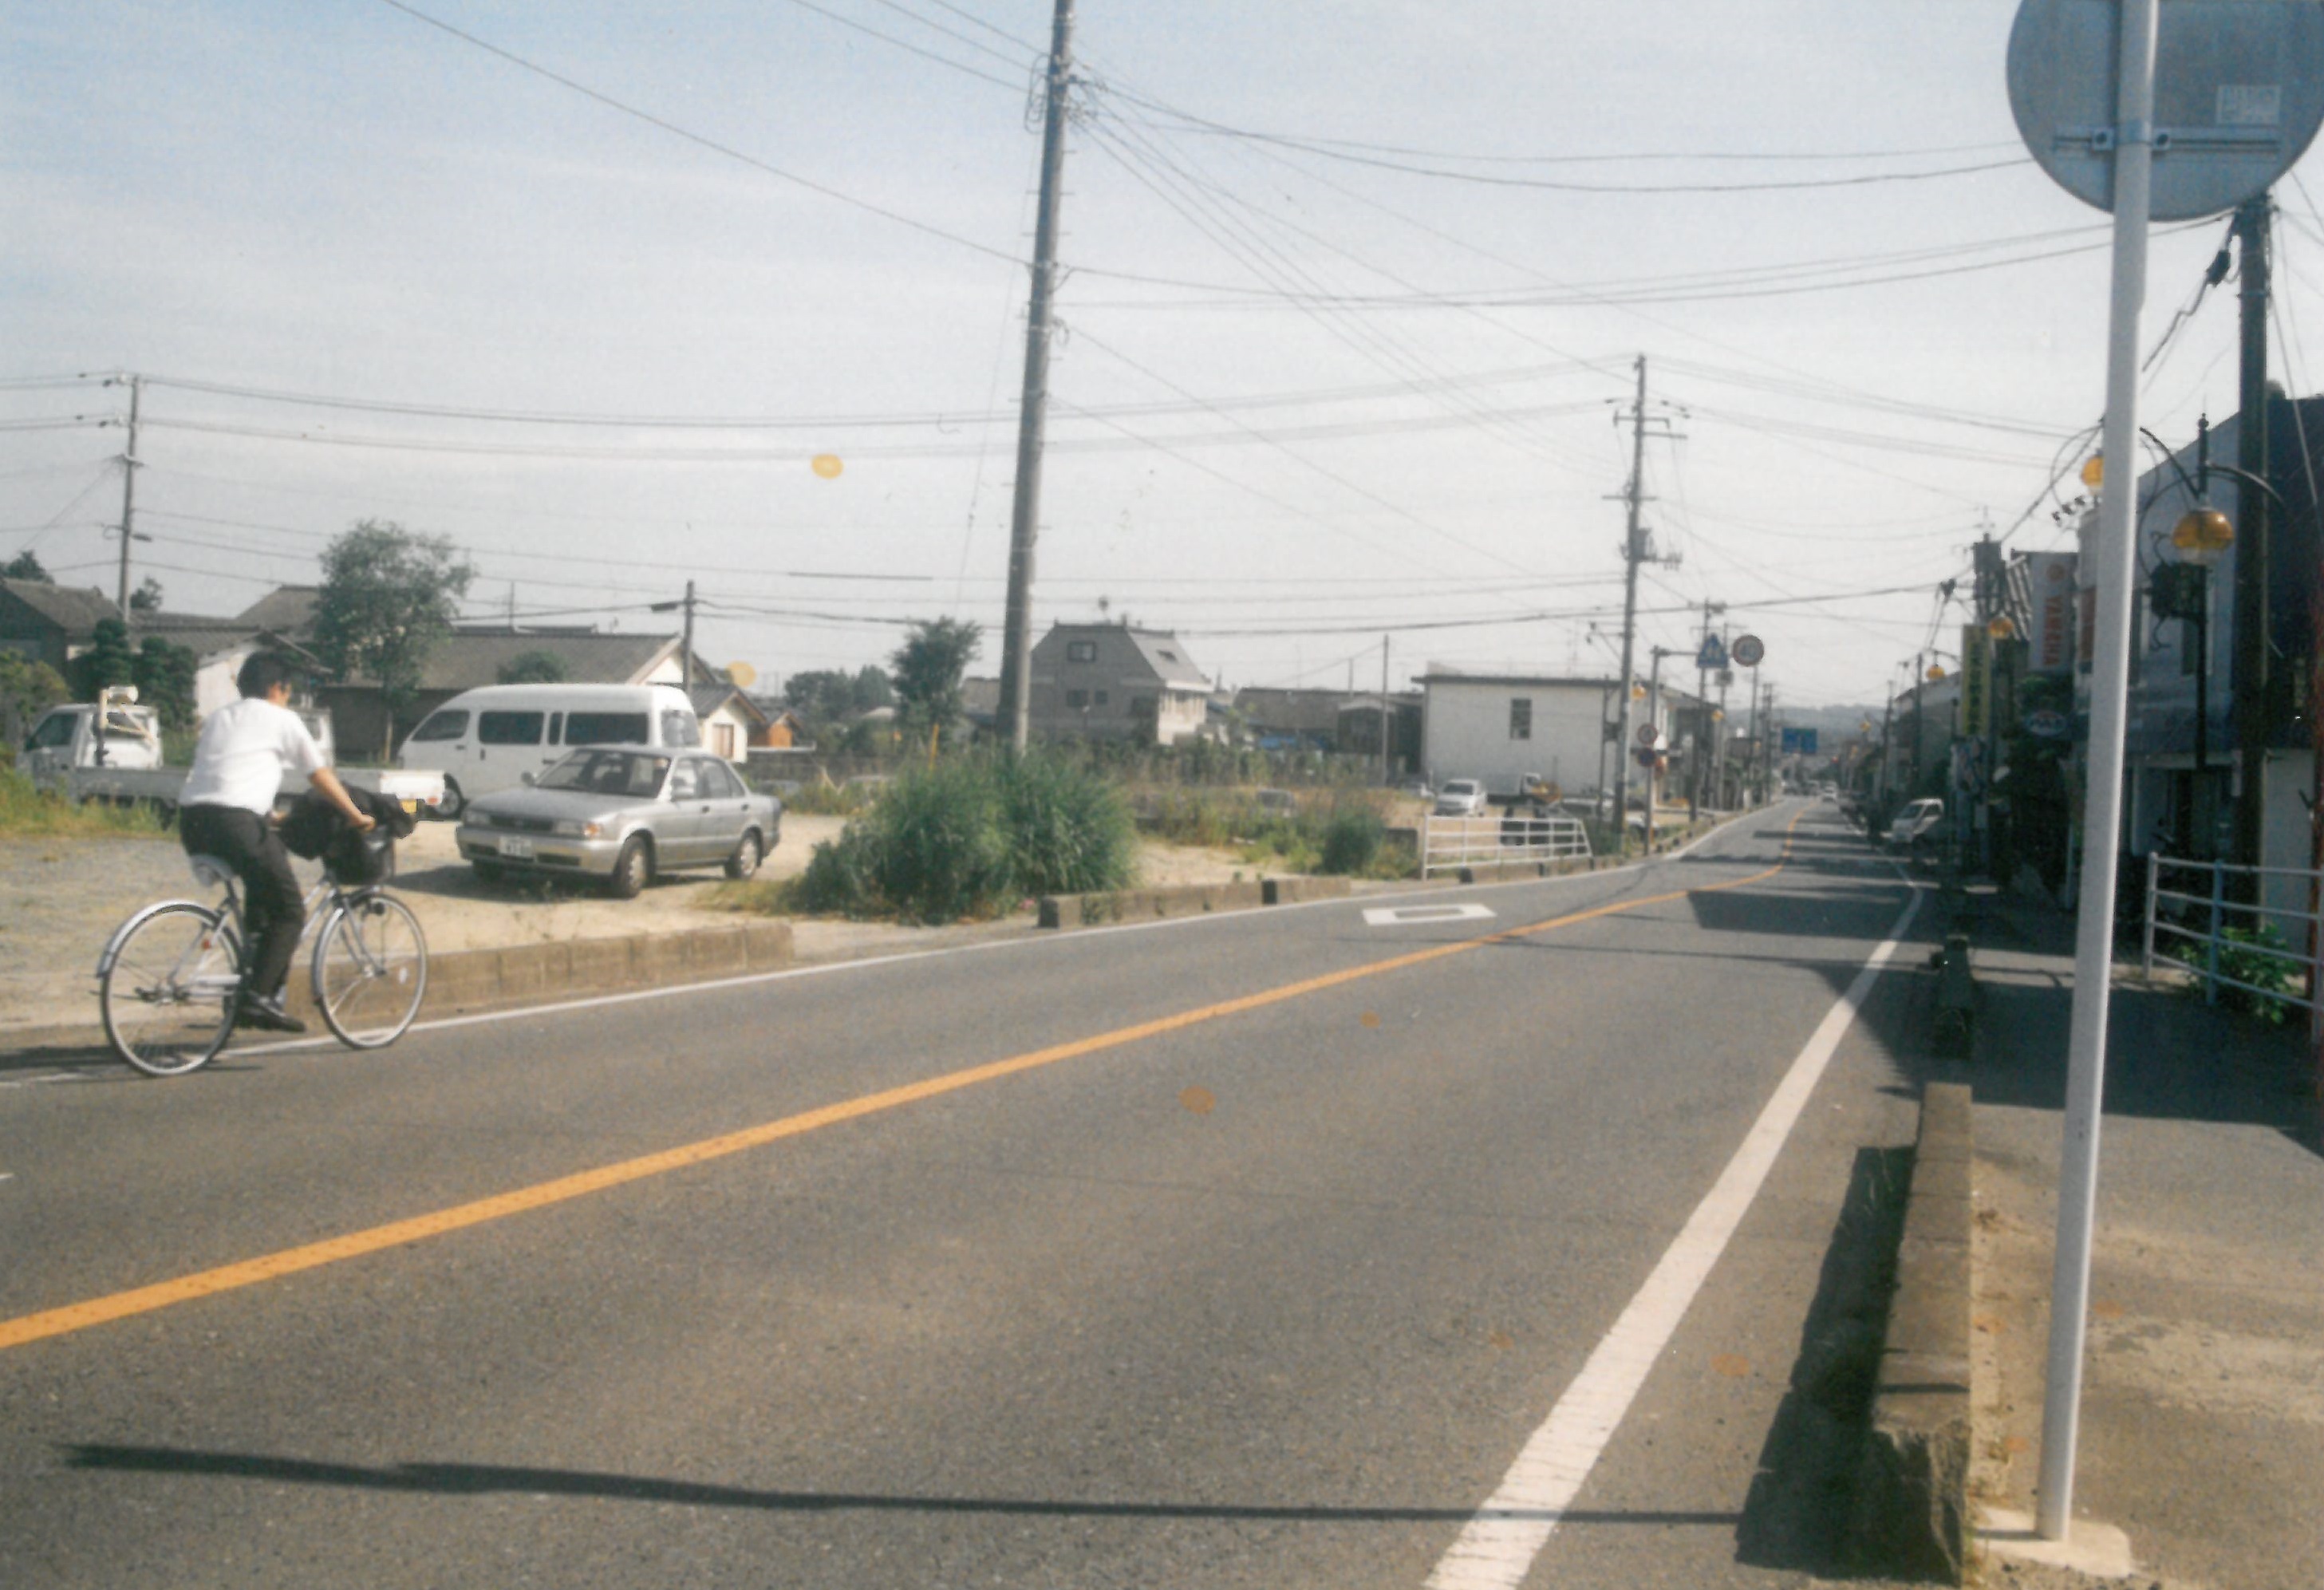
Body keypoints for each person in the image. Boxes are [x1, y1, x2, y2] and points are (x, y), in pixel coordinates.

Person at [176, 653, 373, 1032]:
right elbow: (319, 775)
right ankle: (259, 998)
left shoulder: (219, 718)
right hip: (237, 823)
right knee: (290, 912)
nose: (288, 696)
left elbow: (229, 774)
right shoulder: (283, 719)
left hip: (194, 821)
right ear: (277, 688)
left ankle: (251, 975)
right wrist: (355, 814)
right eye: (288, 690)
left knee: (264, 885)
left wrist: (273, 817)